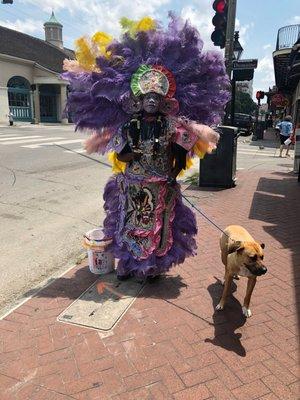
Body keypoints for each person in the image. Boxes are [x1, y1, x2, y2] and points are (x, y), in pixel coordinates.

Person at [63, 14, 230, 280]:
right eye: (146, 97)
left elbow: (179, 154)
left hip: (161, 187)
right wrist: (133, 154)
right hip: (131, 185)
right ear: (136, 100)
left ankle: (151, 269)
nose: (151, 101)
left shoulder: (174, 125)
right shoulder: (129, 125)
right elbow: (120, 153)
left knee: (159, 228)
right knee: (127, 225)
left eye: (156, 97)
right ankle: (128, 265)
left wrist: (173, 177)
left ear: (165, 100)